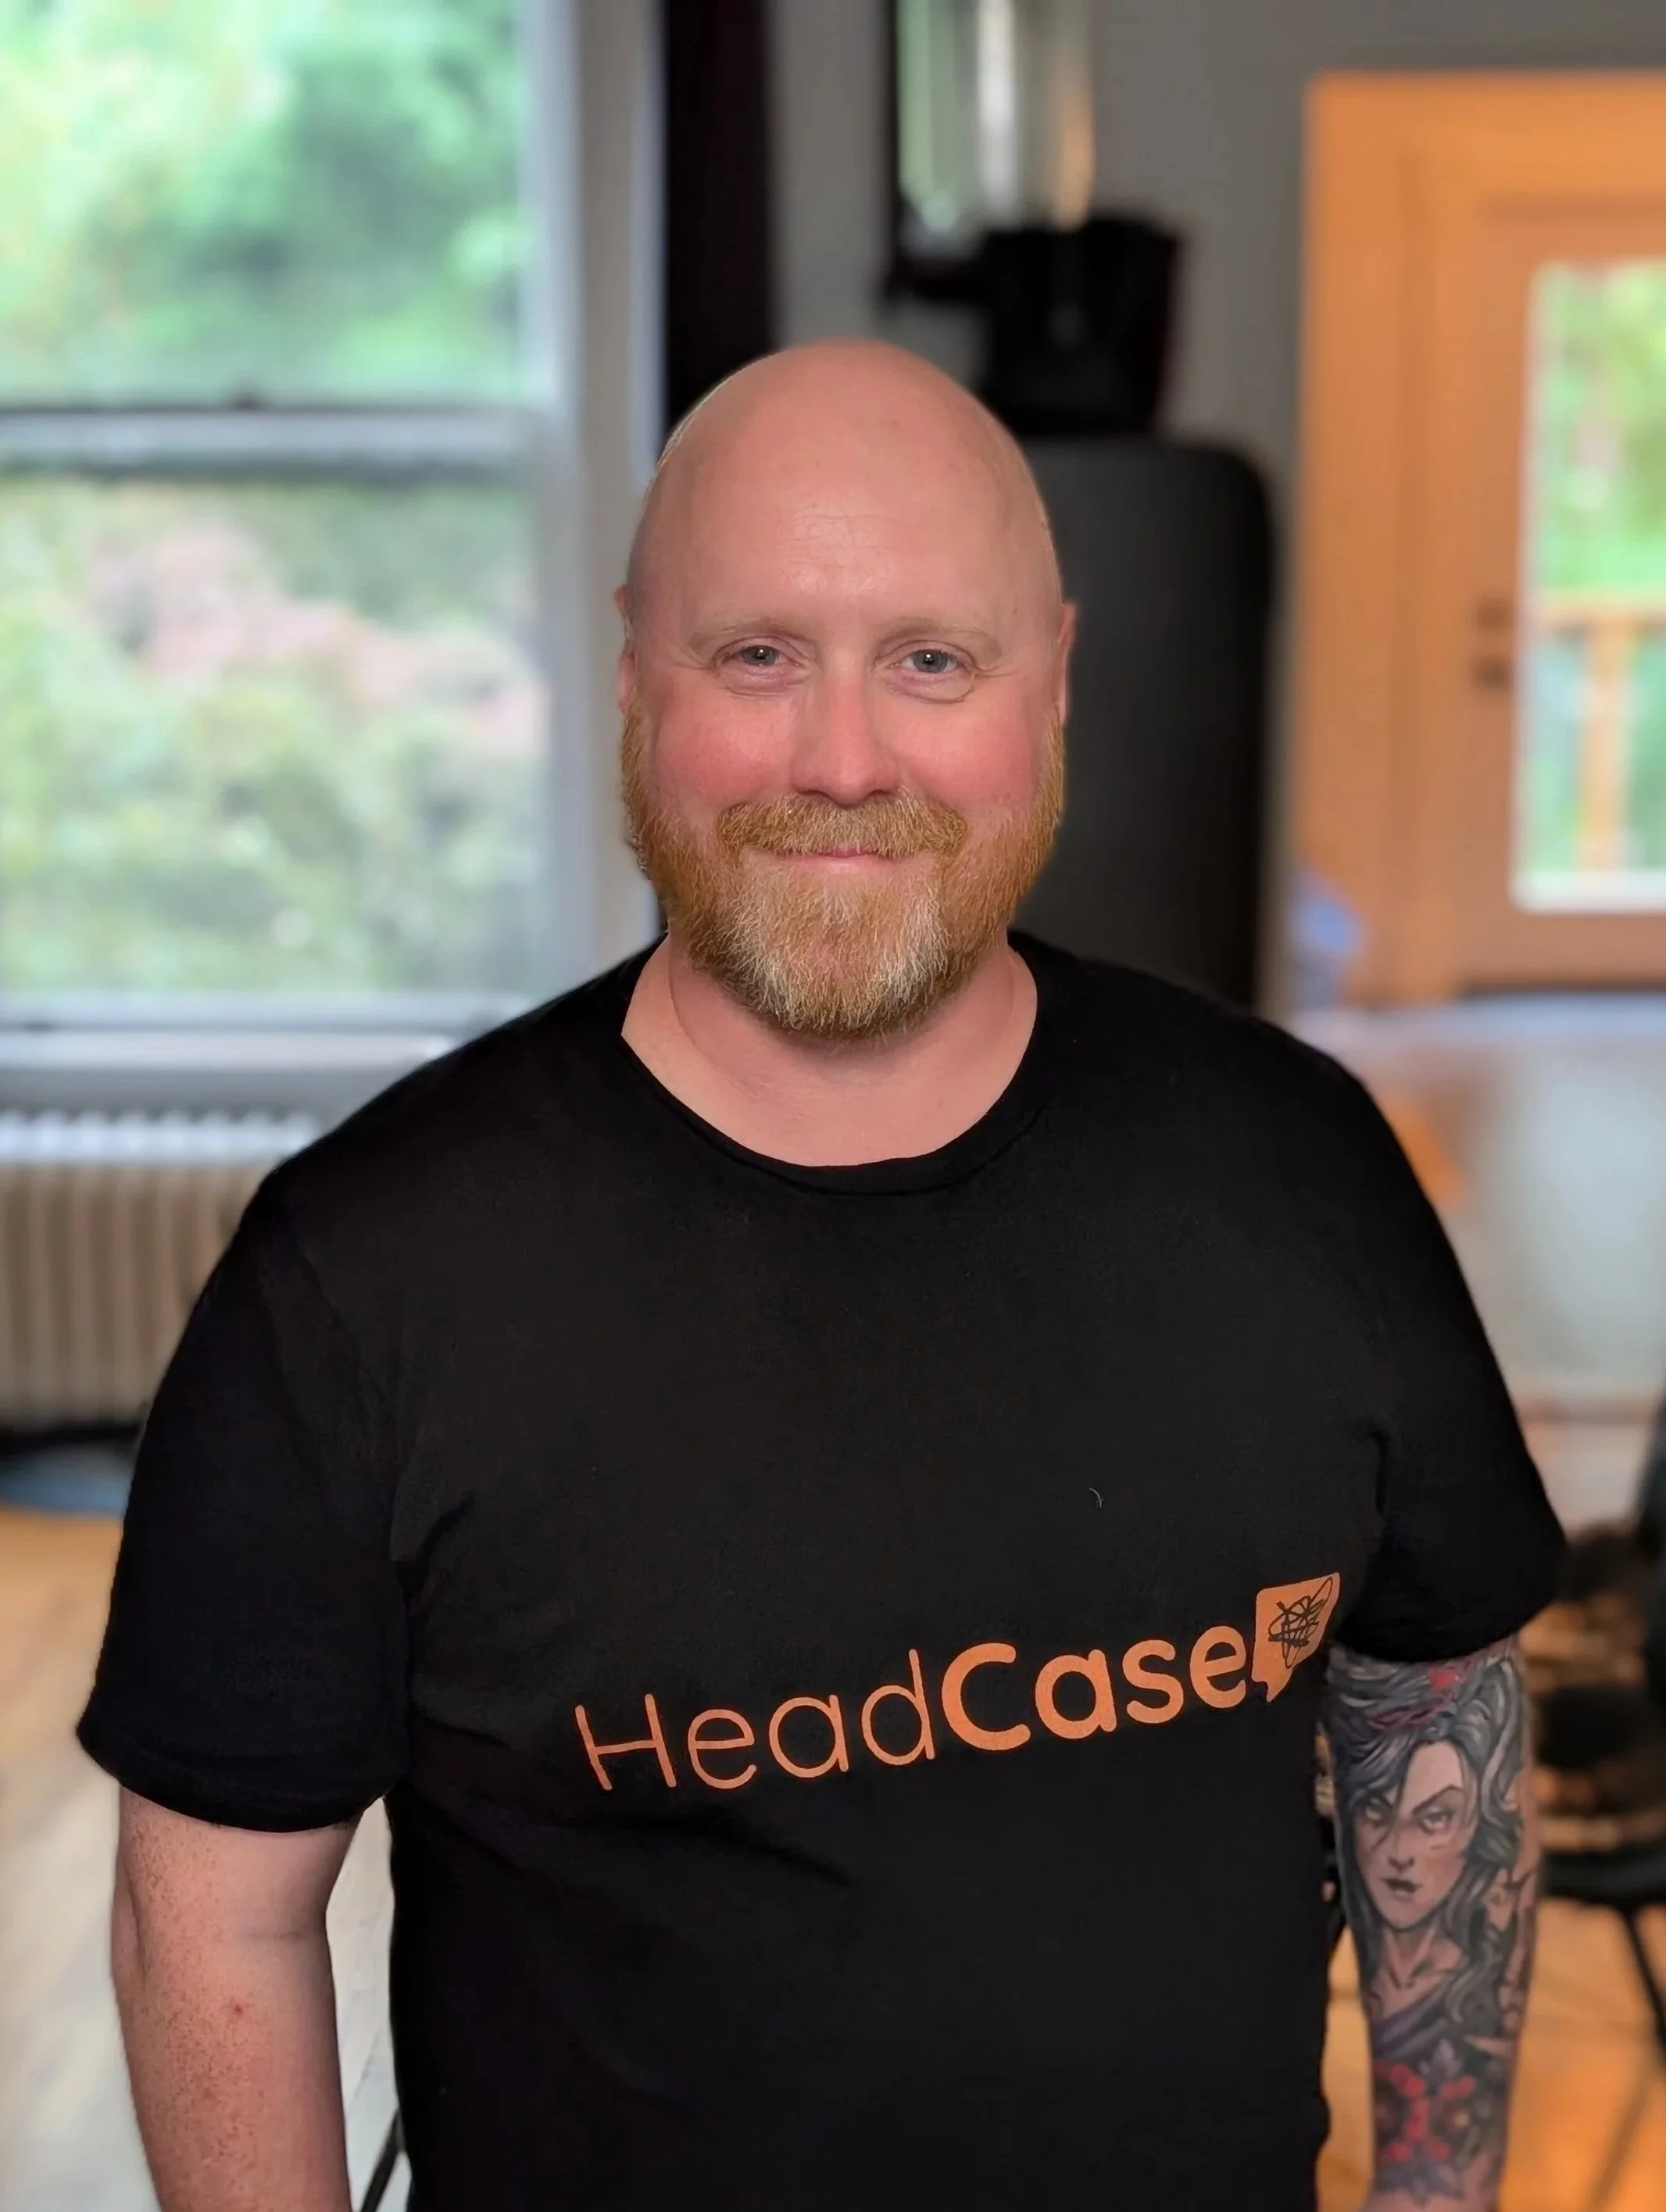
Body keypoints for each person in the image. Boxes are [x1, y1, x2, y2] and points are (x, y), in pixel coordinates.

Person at [80, 339, 1565, 2212]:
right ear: (634, 678)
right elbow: (210, 1918)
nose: (843, 760)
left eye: (930, 660)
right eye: (756, 655)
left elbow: (1434, 1732)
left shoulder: (1298, 1169)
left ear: (1055, 683)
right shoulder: (362, 1276)